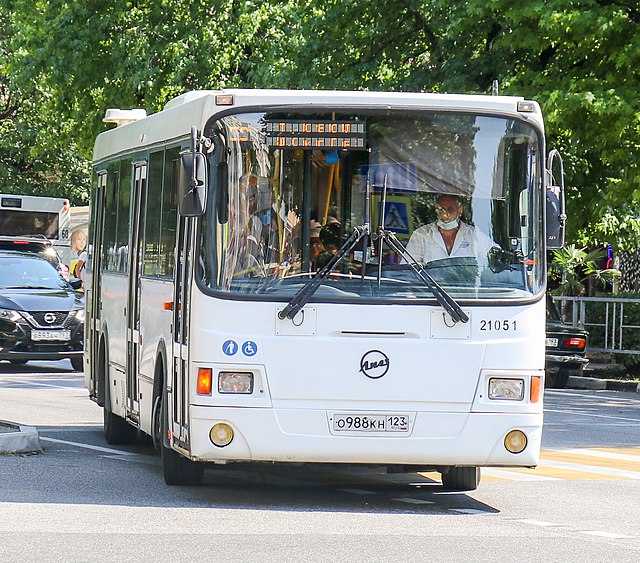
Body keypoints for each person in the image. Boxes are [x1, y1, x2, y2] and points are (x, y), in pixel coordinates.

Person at [404, 194, 497, 264]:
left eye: (450, 209)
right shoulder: (421, 235)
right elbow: (407, 268)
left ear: (460, 211)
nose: (445, 214)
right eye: (440, 209)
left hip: (466, 288)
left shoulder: (475, 236)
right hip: (430, 288)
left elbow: (497, 258)